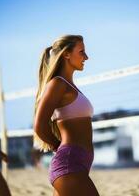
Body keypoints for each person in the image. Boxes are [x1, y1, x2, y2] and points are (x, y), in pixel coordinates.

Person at [34, 35, 100, 196]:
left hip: (78, 164)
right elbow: (39, 126)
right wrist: (59, 147)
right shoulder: (57, 84)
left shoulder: (70, 86)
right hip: (69, 164)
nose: (86, 57)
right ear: (66, 54)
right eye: (82, 52)